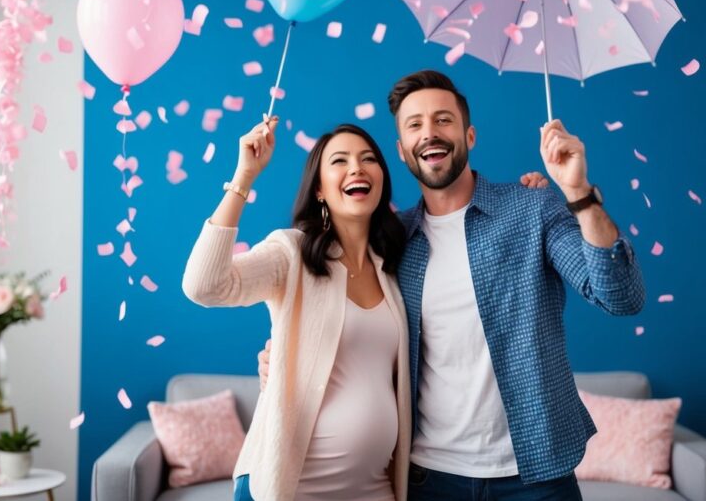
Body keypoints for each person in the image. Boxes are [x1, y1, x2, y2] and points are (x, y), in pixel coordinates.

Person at [262, 69, 646, 500]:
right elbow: (343, 315)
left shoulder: (532, 208)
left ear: (469, 135)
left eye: (443, 120)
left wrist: (577, 192)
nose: (430, 133)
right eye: (415, 125)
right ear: (402, 152)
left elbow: (622, 298)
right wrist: (284, 355)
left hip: (536, 476)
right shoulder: (391, 241)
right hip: (430, 478)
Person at [182, 118, 411, 501]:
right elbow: (204, 286)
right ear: (319, 189)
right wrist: (243, 178)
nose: (357, 167)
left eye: (368, 158)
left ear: (382, 180)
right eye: (340, 160)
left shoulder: (392, 268)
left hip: (373, 489)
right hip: (291, 488)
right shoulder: (291, 253)